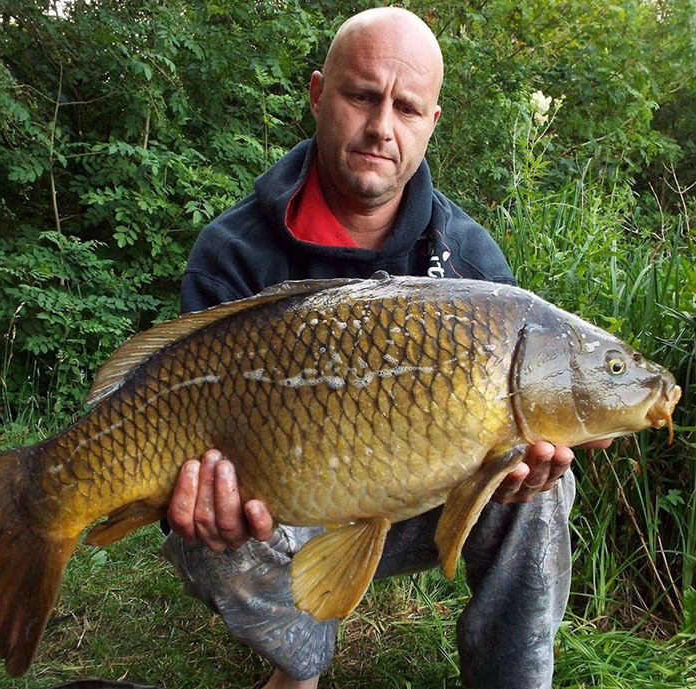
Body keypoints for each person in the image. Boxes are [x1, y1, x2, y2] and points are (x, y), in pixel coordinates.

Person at [162, 8, 610, 688]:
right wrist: (198, 500)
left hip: (418, 500)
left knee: (541, 485)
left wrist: (518, 467)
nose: (380, 128)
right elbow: (186, 428)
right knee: (201, 528)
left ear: (431, 122)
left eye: (406, 107)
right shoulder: (232, 253)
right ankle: (298, 664)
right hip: (280, 508)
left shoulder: (470, 261)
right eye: (361, 96)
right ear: (317, 93)